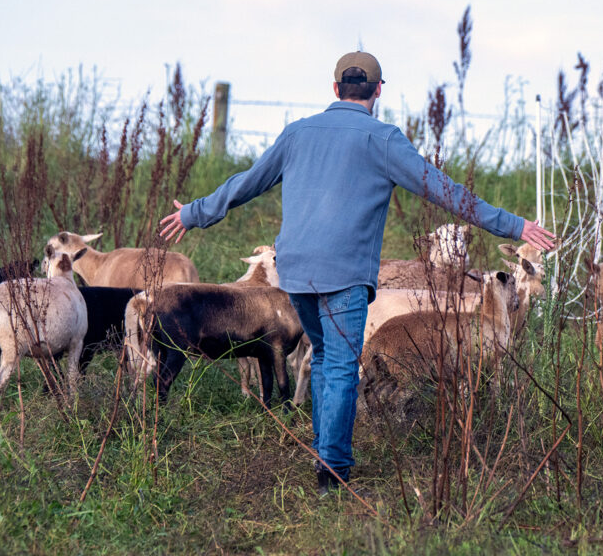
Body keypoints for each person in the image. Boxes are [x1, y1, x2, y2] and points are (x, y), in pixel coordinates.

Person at [158, 51, 556, 495]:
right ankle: (332, 472)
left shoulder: (297, 133)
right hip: (344, 277)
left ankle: (323, 453)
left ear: (335, 90)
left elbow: (246, 182)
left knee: (327, 358)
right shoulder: (382, 139)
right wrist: (516, 225)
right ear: (378, 91)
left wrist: (195, 212)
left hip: (297, 278)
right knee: (342, 365)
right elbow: (446, 192)